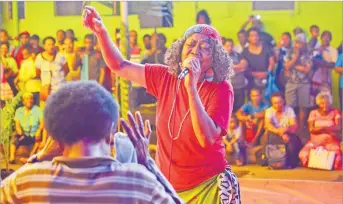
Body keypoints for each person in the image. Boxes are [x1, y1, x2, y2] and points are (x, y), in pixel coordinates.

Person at [82, 6, 240, 203]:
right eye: (190, 45)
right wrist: (101, 33)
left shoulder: (221, 88)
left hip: (205, 186)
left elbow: (206, 139)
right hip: (166, 185)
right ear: (180, 49)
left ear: (215, 57)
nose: (195, 51)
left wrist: (191, 85)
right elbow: (119, 66)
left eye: (205, 47)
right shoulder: (164, 76)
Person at [1, 81, 183, 203]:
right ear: (110, 133)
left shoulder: (29, 181)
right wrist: (147, 163)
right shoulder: (138, 182)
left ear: (56, 139)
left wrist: (38, 158)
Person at [299, 91, 342, 170]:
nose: (325, 105)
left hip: (331, 141)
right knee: (303, 154)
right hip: (314, 142)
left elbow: (338, 128)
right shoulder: (313, 113)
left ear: (330, 103)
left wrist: (321, 128)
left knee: (337, 157)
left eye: (327, 103)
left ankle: (326, 165)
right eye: (322, 103)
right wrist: (328, 129)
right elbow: (311, 129)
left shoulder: (335, 112)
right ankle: (316, 164)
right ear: (318, 103)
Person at [263, 92, 302, 168]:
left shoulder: (289, 110)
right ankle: (274, 161)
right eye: (275, 103)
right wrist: (281, 133)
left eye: (279, 102)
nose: (278, 105)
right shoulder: (269, 111)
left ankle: (289, 163)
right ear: (272, 103)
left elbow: (294, 125)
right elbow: (267, 125)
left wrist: (286, 130)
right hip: (274, 133)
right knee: (270, 137)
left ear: (283, 101)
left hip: (288, 133)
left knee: (292, 140)